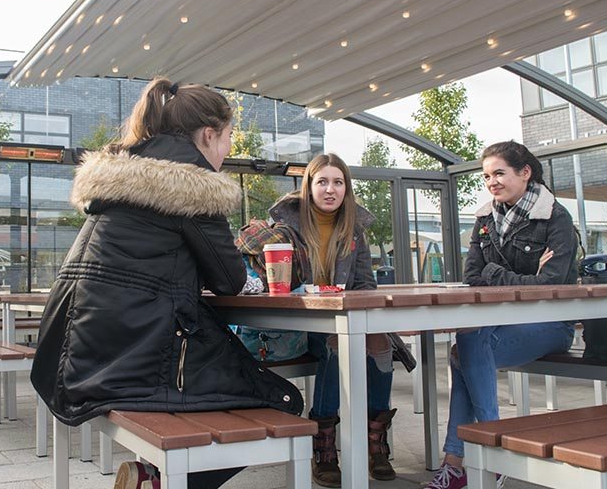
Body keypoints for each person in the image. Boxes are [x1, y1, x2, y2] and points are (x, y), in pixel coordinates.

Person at [30, 78, 303, 489]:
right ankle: (159, 483)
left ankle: (154, 478)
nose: (228, 150)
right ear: (209, 134)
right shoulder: (191, 185)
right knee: (286, 402)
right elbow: (228, 280)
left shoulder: (120, 177)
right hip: (134, 355)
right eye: (228, 138)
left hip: (76, 354)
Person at [425, 140, 578, 489]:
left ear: (524, 173)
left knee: (465, 347)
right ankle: (478, 459)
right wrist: (522, 278)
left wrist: (496, 273)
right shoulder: (485, 218)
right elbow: (472, 277)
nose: (492, 181)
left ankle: (470, 459)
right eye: (486, 175)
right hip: (503, 322)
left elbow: (550, 284)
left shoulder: (555, 217)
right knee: (466, 341)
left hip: (553, 323)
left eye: (499, 173)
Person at [267, 153, 398, 485]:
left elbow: (366, 284)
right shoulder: (286, 228)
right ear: (308, 186)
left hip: (344, 317)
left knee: (382, 342)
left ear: (346, 188)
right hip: (301, 322)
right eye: (322, 181)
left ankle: (375, 440)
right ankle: (324, 442)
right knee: (334, 342)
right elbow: (273, 280)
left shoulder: (354, 230)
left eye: (337, 182)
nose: (330, 189)